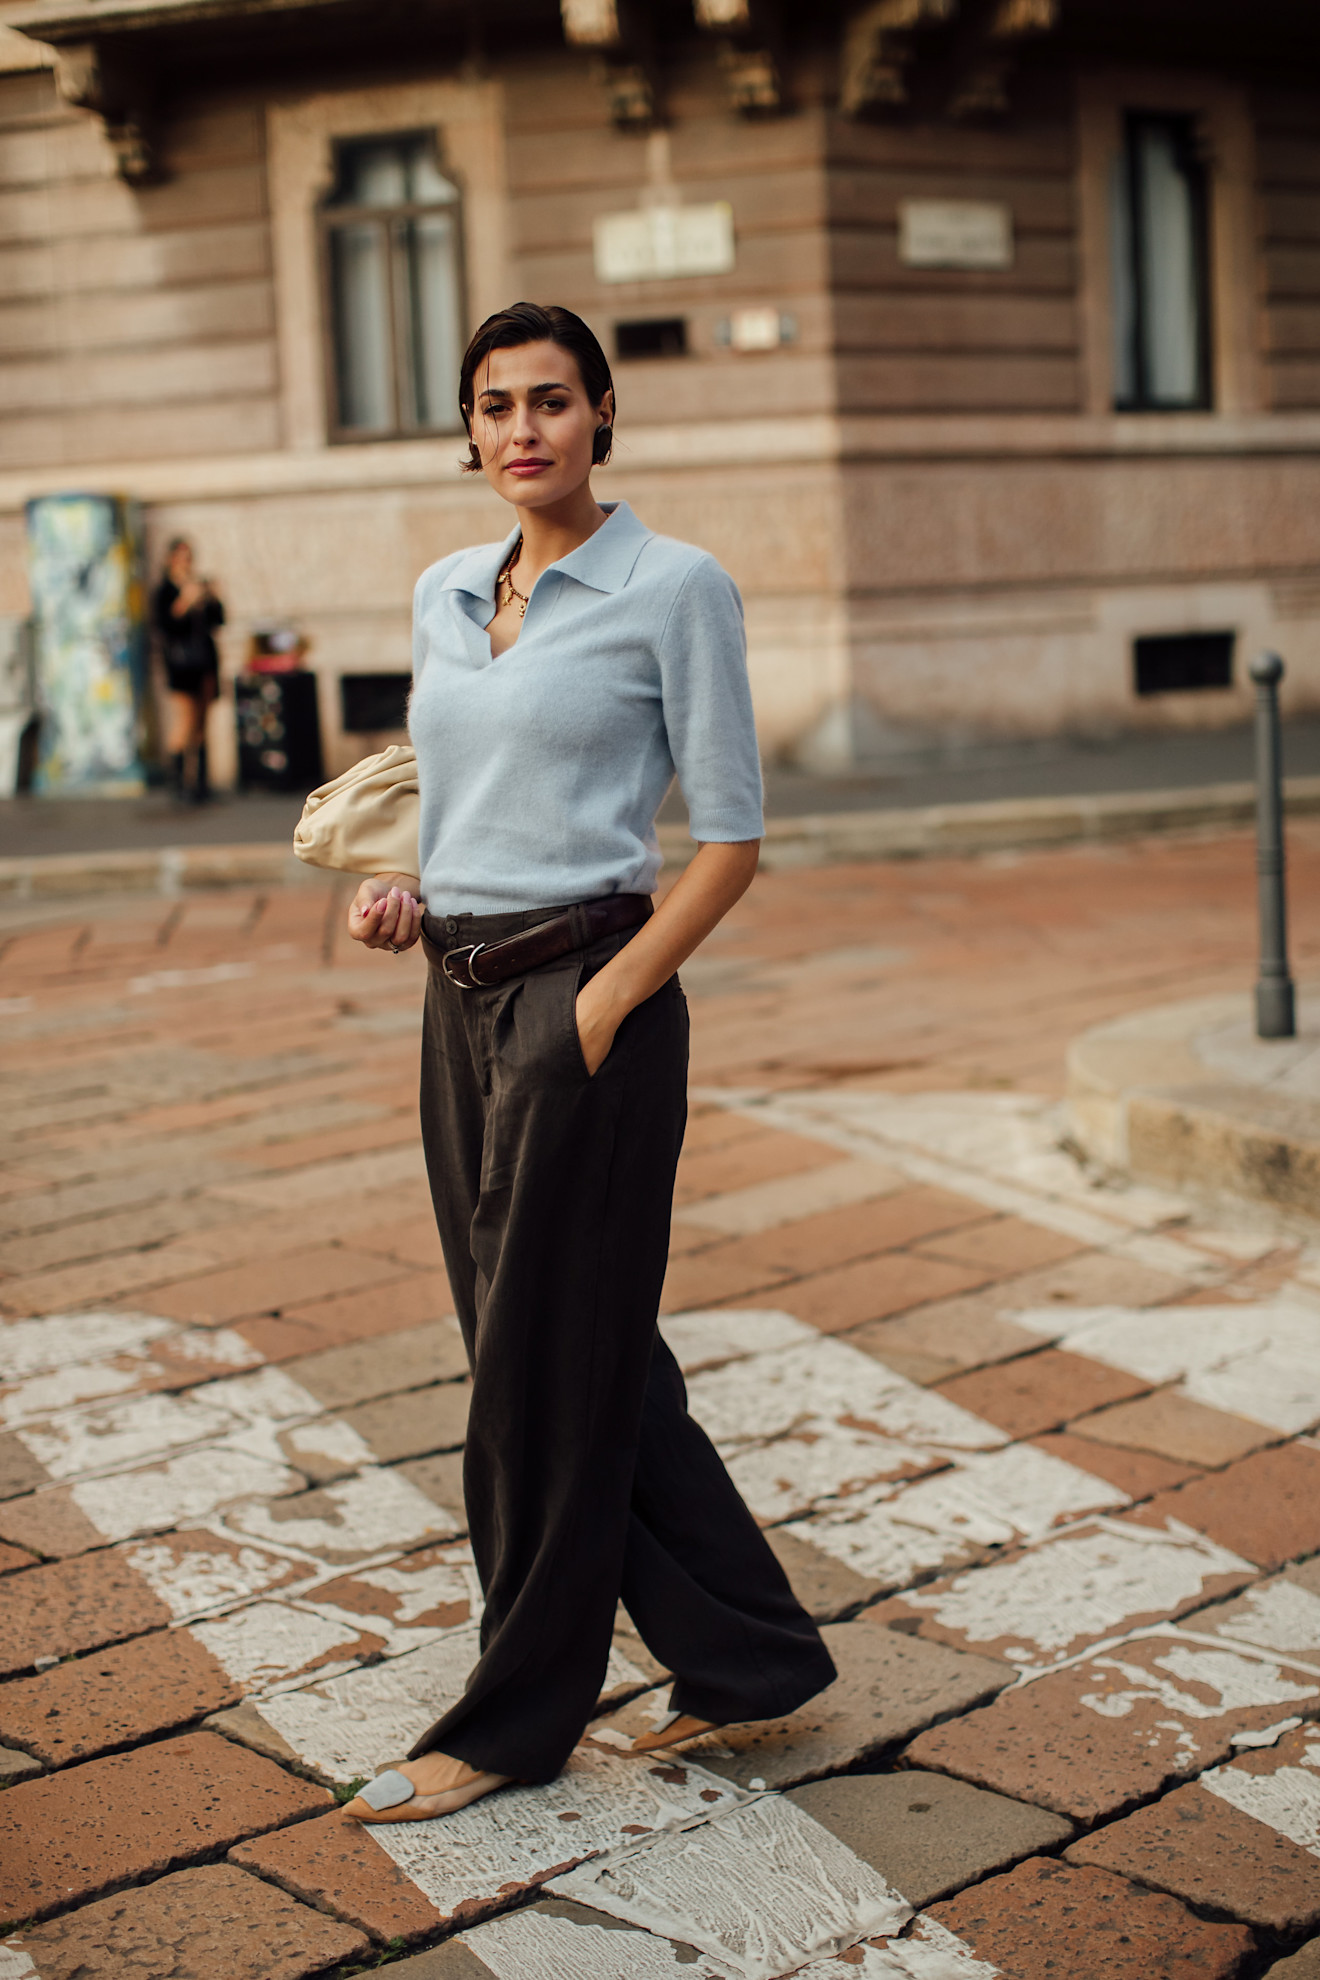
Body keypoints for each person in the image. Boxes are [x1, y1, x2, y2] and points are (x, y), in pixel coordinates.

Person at [342, 301, 835, 1827]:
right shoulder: (442, 589)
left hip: (587, 1001)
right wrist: (411, 890)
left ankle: (514, 1713)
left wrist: (605, 1004)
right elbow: (464, 794)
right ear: (470, 430)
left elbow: (732, 840)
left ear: (605, 414)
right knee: (561, 1350)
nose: (522, 431)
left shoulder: (675, 587)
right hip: (457, 999)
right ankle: (749, 1657)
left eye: (552, 401)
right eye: (495, 407)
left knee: (539, 1381)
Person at [152, 536, 225, 803]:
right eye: (181, 558)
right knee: (184, 721)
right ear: (171, 560)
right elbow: (165, 627)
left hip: (204, 662)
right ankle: (179, 785)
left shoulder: (198, 586)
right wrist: (184, 602)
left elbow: (218, 622)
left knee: (202, 724)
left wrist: (213, 598)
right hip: (180, 665)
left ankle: (201, 784)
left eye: (189, 558)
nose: (186, 564)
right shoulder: (165, 591)